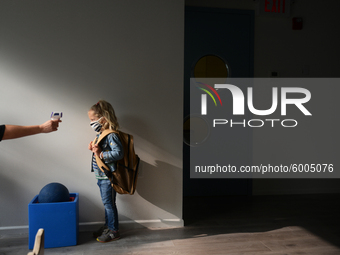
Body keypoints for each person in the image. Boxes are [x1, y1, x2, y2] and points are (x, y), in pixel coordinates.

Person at [88, 100, 123, 243]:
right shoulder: (102, 133)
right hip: (101, 175)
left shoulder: (111, 135)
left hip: (108, 176)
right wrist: (94, 149)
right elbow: (100, 151)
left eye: (92, 120)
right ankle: (108, 226)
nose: (91, 123)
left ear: (103, 118)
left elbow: (119, 153)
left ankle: (114, 231)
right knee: (107, 203)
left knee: (109, 204)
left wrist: (101, 153)